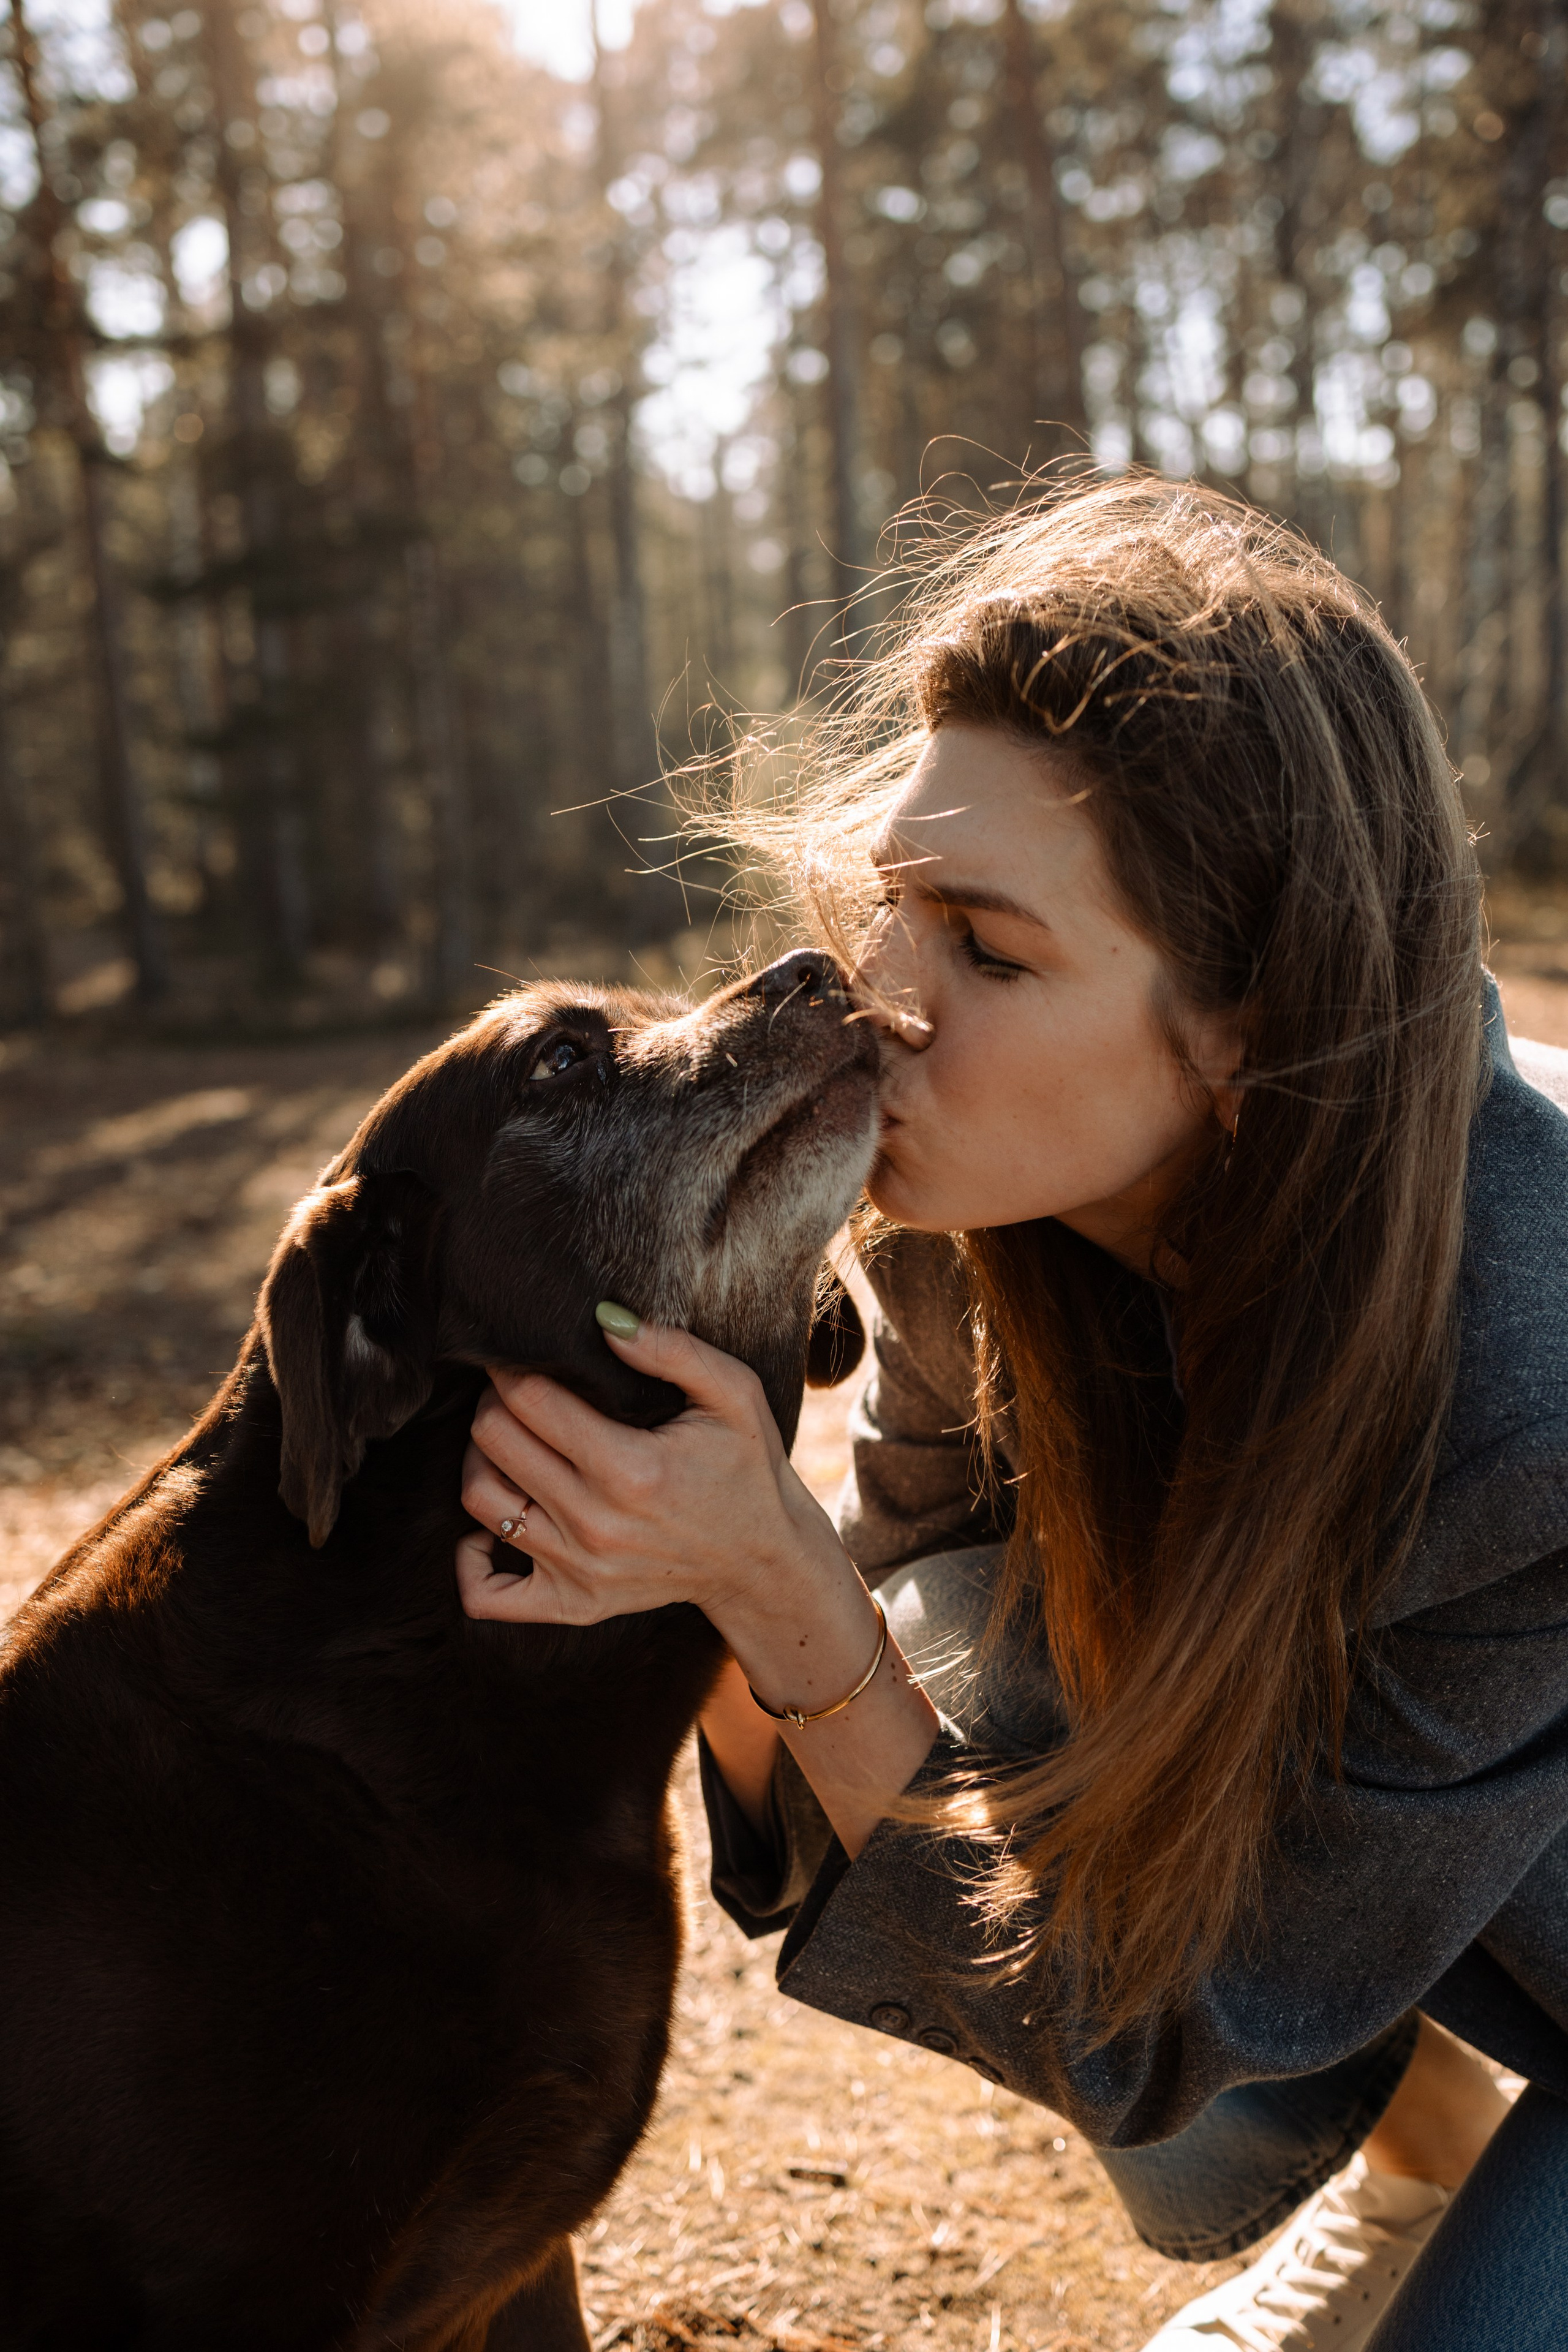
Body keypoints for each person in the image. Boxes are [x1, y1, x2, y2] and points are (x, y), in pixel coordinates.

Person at [456, 480, 1568, 2351]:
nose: (885, 1000)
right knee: (963, 1636)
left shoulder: (1531, 1412)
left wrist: (772, 1577)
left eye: (988, 947)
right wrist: (697, 1573)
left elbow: (1125, 2027)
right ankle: (1423, 2147)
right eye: (898, 901)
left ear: (1251, 1030)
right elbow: (897, 1679)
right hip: (1431, 1877)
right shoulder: (972, 1209)